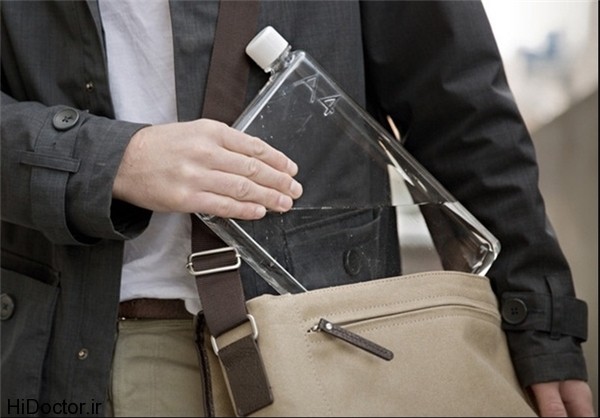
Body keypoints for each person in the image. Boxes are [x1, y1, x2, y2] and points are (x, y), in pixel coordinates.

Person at [1, 1, 594, 417]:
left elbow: (457, 104)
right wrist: (111, 160)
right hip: (74, 349)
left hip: (331, 346)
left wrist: (540, 328)